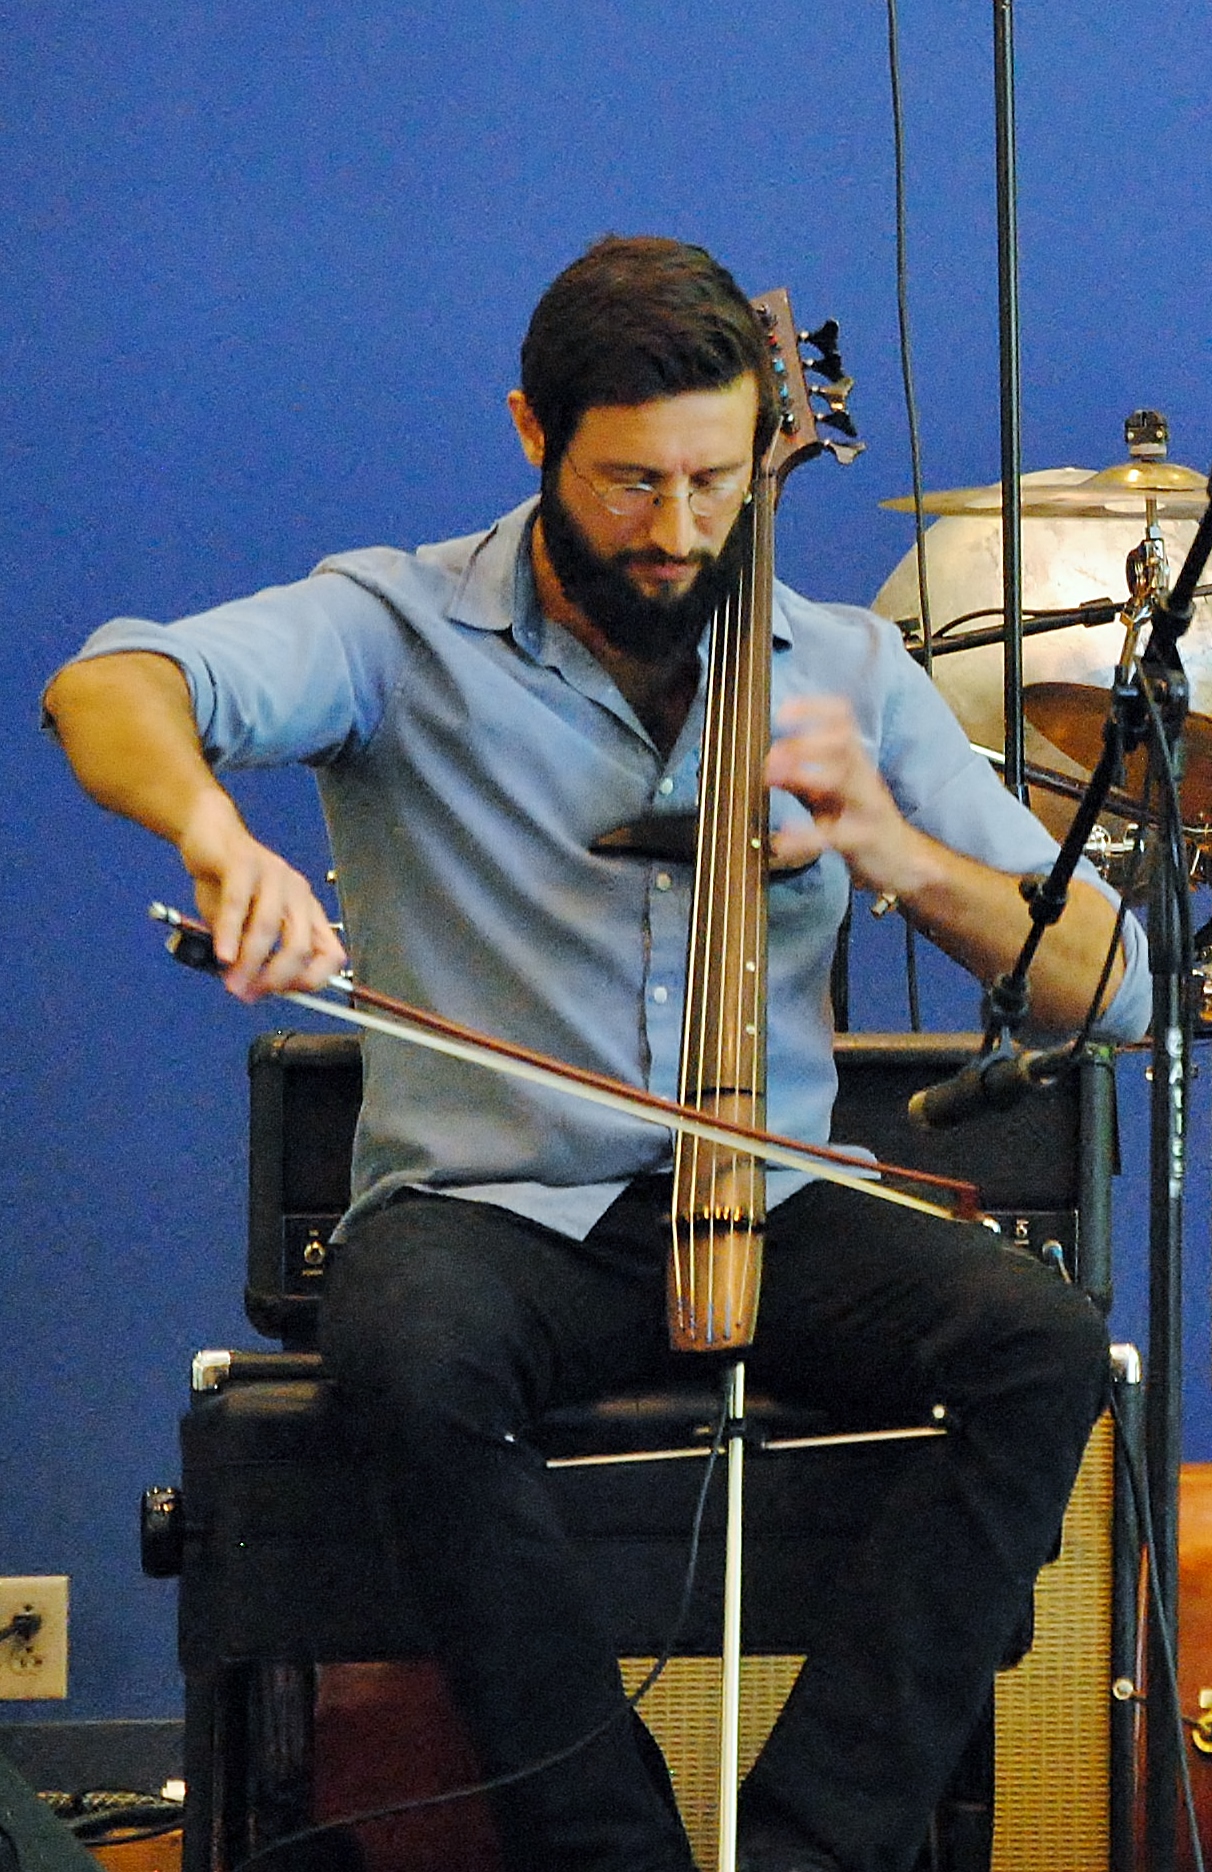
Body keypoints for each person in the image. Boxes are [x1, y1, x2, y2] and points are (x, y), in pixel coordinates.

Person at [43, 236, 1148, 1872]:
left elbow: (1108, 983)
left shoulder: (840, 664)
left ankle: (813, 1847)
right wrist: (217, 835)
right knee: (413, 1360)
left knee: (1043, 1350)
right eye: (632, 485)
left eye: (717, 480)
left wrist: (896, 849)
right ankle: (606, 1848)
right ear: (530, 433)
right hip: (490, 1207)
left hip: (767, 1193)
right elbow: (109, 684)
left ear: (770, 441)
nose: (683, 531)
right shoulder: (395, 625)